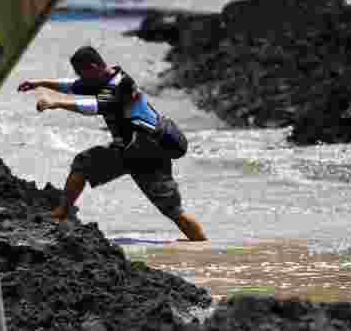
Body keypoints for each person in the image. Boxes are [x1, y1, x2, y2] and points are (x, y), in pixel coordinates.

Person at [17, 45, 208, 241]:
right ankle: (61, 213)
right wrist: (38, 83)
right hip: (132, 150)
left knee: (172, 210)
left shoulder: (120, 84)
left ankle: (202, 246)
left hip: (146, 151)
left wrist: (56, 103)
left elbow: (96, 106)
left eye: (83, 74)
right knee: (84, 163)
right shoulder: (101, 80)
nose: (82, 79)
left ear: (93, 67)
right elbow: (71, 86)